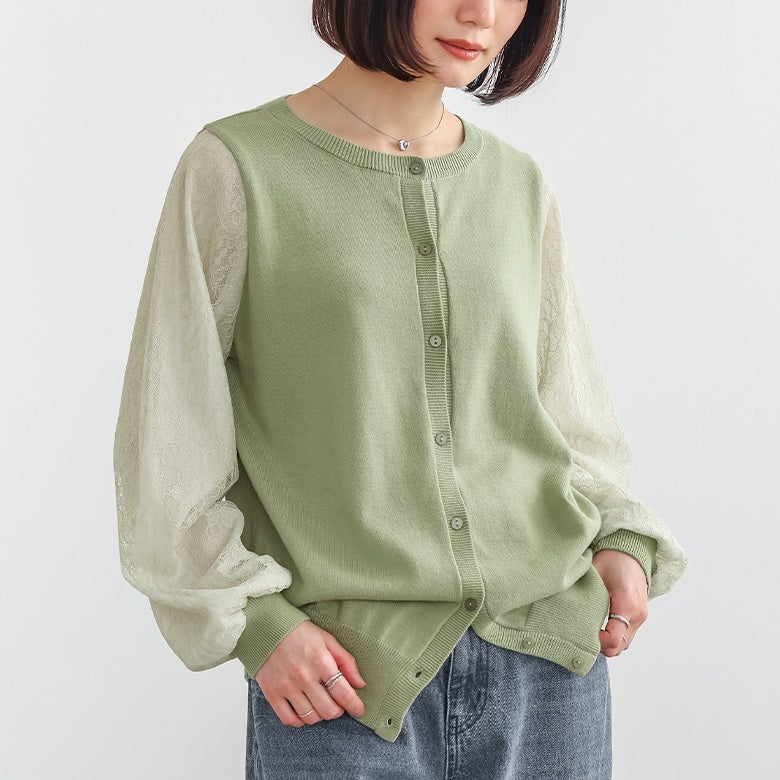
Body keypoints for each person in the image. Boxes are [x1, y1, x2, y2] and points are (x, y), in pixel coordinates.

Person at [113, 1, 688, 778]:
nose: (480, 13)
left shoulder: (517, 184)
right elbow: (167, 436)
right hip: (342, 680)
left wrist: (620, 539)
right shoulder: (238, 166)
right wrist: (258, 623)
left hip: (551, 666)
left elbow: (570, 412)